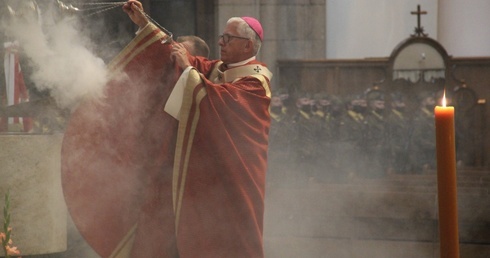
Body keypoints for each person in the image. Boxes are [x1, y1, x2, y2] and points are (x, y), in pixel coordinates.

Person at [123, 1, 273, 257]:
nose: (221, 42)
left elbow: (220, 100)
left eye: (228, 38)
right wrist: (145, 24)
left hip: (234, 179)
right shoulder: (219, 69)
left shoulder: (255, 83)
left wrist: (189, 69)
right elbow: (179, 56)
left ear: (248, 45)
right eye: (221, 37)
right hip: (208, 178)